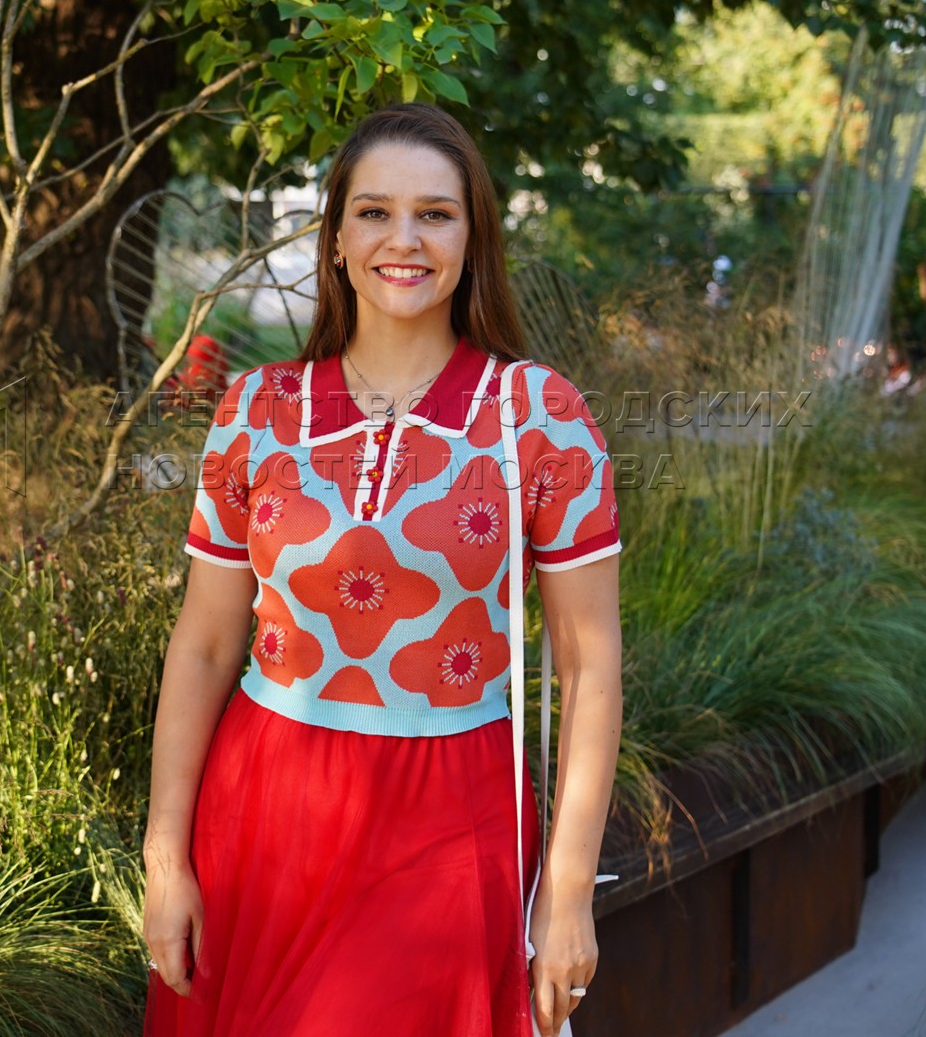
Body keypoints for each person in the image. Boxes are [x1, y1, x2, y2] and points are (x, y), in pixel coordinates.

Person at [140, 103, 626, 1037]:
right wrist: (166, 859)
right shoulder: (255, 409)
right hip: (261, 816)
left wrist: (567, 891)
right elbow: (203, 645)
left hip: (450, 825)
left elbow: (589, 666)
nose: (404, 239)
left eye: (435, 214)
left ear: (473, 240)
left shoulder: (540, 417)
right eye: (373, 212)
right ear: (334, 239)